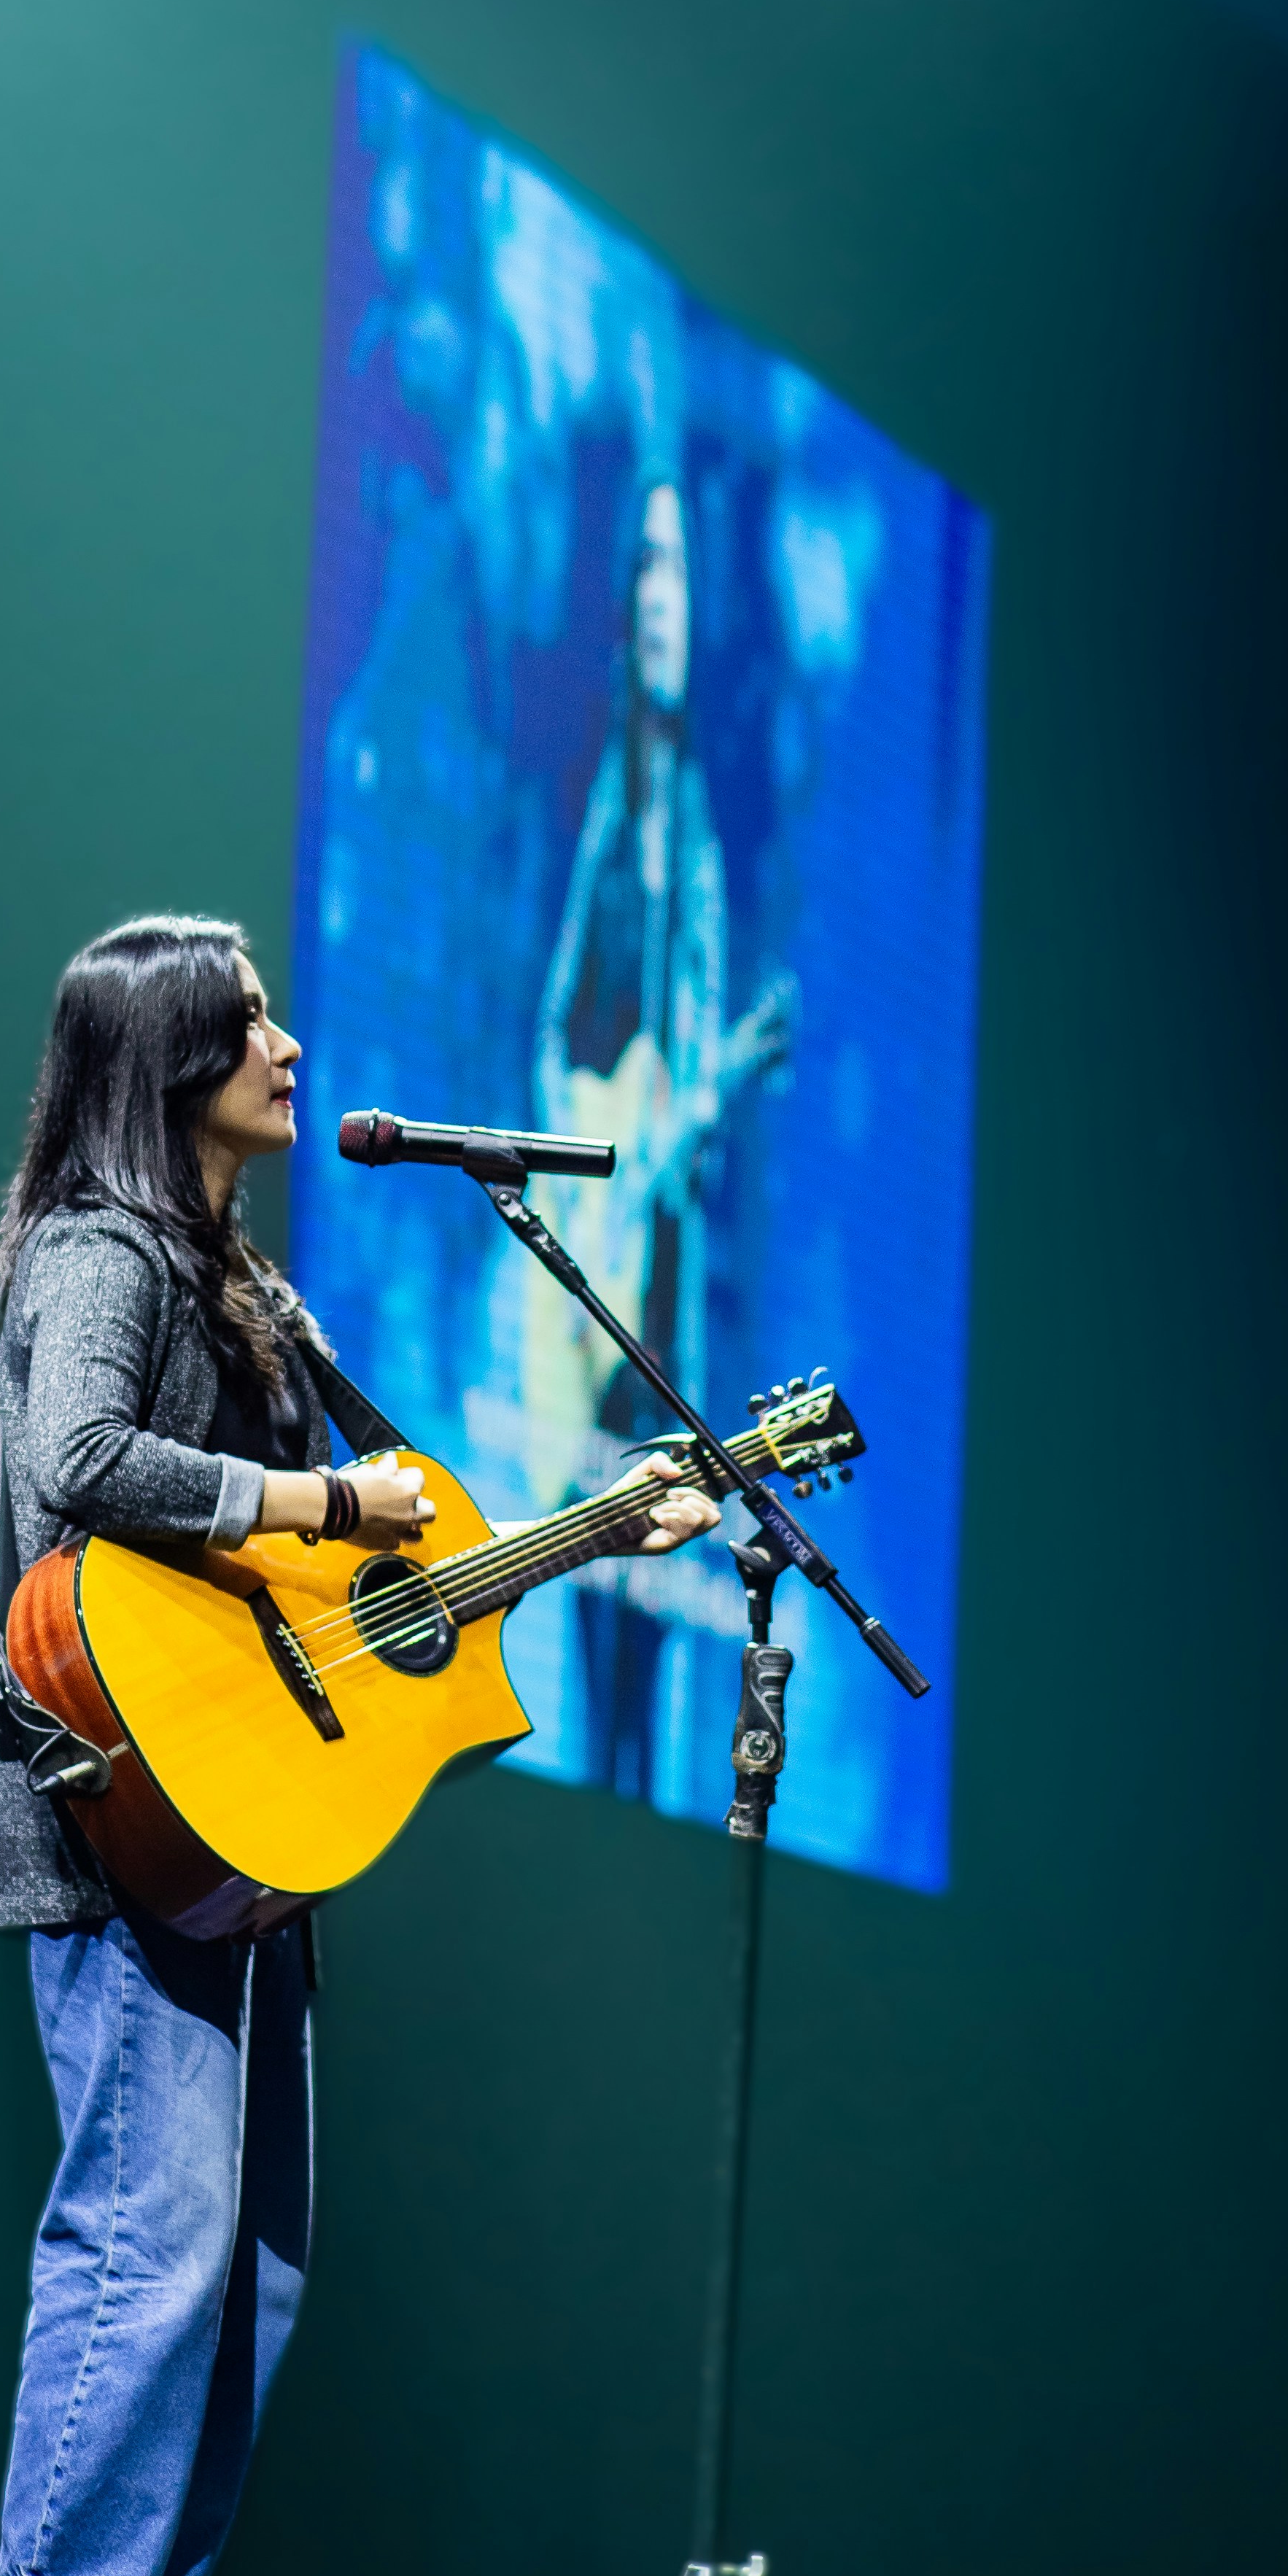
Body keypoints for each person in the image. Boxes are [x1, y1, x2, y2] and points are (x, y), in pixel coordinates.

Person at [0, 909, 700, 2576]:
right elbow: (76, 1467)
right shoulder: (101, 1251)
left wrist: (598, 1524)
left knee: (252, 2257)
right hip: (122, 1809)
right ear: (168, 1061)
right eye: (251, 1020)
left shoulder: (245, 1283)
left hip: (246, 1833)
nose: (287, 1044)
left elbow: (384, 1565)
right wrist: (316, 1501)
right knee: (148, 2221)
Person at [527, 468, 794, 1796]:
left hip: (665, 1288)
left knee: (658, 1590)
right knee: (592, 1580)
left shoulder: (696, 815)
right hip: (607, 1277)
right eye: (647, 568)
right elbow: (564, 1026)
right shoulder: (610, 791)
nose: (664, 601)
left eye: (683, 573)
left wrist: (717, 1090)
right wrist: (582, 1218)